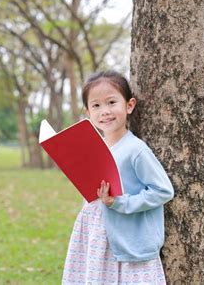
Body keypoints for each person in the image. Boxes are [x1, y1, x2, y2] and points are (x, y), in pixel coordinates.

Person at [62, 70, 174, 284]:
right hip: (95, 233)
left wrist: (119, 202)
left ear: (129, 105)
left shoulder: (135, 150)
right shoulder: (94, 148)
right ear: (88, 113)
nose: (105, 111)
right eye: (96, 105)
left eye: (111, 102)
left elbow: (163, 191)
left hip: (127, 239)